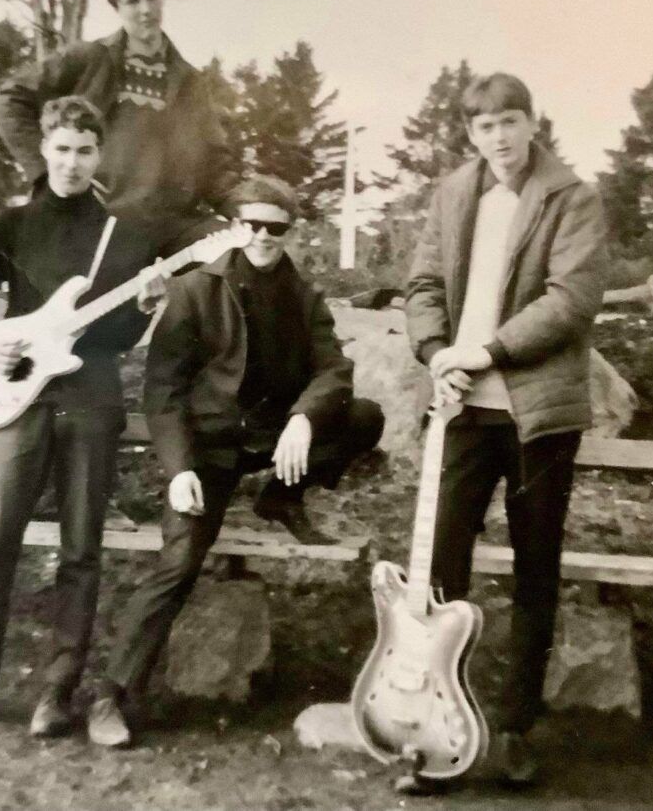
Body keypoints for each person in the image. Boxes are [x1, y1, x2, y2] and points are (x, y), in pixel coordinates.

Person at [86, 175, 385, 747]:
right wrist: (180, 471)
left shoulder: (303, 295)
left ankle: (281, 496)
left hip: (274, 437)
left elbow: (334, 370)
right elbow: (163, 391)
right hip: (211, 449)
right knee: (179, 562)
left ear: (290, 231)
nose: (263, 236)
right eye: (252, 225)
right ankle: (113, 695)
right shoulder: (196, 289)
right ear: (235, 227)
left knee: (364, 417)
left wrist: (303, 418)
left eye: (276, 227)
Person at [0, 96, 161, 738]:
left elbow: (120, 336)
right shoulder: (12, 224)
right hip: (20, 394)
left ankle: (58, 691)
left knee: (81, 550)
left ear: (99, 155)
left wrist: (145, 307)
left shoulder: (123, 235)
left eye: (85, 151)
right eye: (62, 149)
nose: (72, 162)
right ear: (44, 149)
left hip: (91, 396)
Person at [405, 72, 606, 786]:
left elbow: (571, 300)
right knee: (438, 571)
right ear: (471, 133)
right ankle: (434, 726)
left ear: (531, 123)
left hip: (537, 416)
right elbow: (423, 284)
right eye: (485, 126)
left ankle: (516, 728)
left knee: (535, 569)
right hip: (461, 410)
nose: (499, 137)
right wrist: (437, 353)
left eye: (510, 121)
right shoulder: (455, 192)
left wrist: (486, 352)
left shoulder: (572, 197)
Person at [0, 0, 235, 254]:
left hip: (171, 225)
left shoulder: (189, 81)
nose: (146, 9)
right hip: (97, 220)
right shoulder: (88, 59)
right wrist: (48, 175)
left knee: (239, 253)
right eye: (133, 1)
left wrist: (251, 208)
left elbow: (214, 165)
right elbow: (10, 99)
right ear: (117, 7)